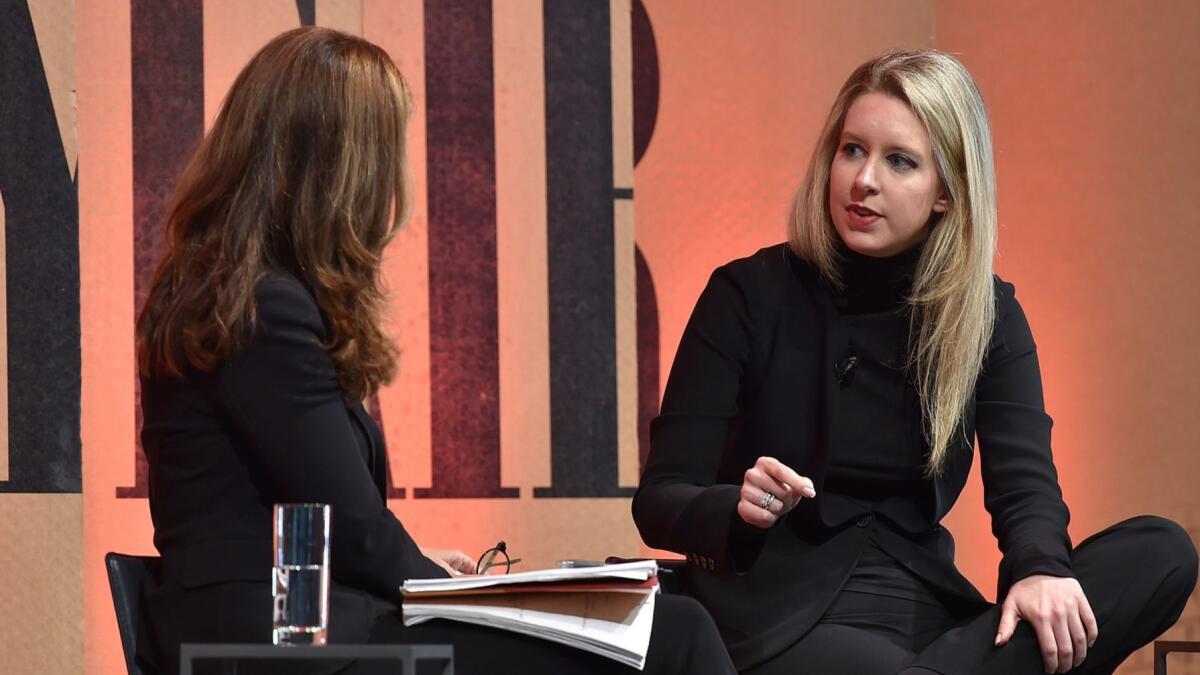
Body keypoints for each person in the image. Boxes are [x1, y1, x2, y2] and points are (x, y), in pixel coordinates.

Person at [135, 27, 735, 675]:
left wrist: (418, 568)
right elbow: (350, 520)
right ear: (340, 170)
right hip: (282, 644)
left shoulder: (220, 289)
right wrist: (440, 589)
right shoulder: (265, 309)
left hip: (280, 624)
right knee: (668, 632)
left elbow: (302, 514)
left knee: (652, 627)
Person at [632, 49, 1197, 675]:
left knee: (1162, 552)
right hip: (779, 615)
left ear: (947, 195)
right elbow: (660, 500)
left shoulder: (987, 314)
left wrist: (1040, 570)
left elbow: (1025, 487)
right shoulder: (746, 294)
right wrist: (737, 507)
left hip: (925, 610)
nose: (863, 179)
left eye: (899, 161)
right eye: (852, 150)